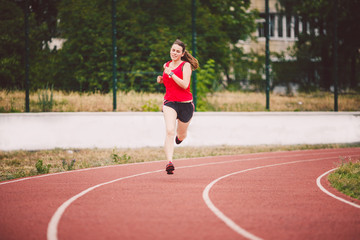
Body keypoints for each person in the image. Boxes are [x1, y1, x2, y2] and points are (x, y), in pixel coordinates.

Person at [157, 39, 199, 175]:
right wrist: (162, 79)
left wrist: (170, 73)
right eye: (173, 50)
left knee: (181, 134)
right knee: (169, 131)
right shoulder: (167, 65)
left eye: (177, 51)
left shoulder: (185, 66)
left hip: (185, 104)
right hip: (170, 102)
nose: (174, 53)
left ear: (182, 54)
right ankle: (169, 162)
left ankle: (180, 139)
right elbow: (171, 83)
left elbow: (184, 84)